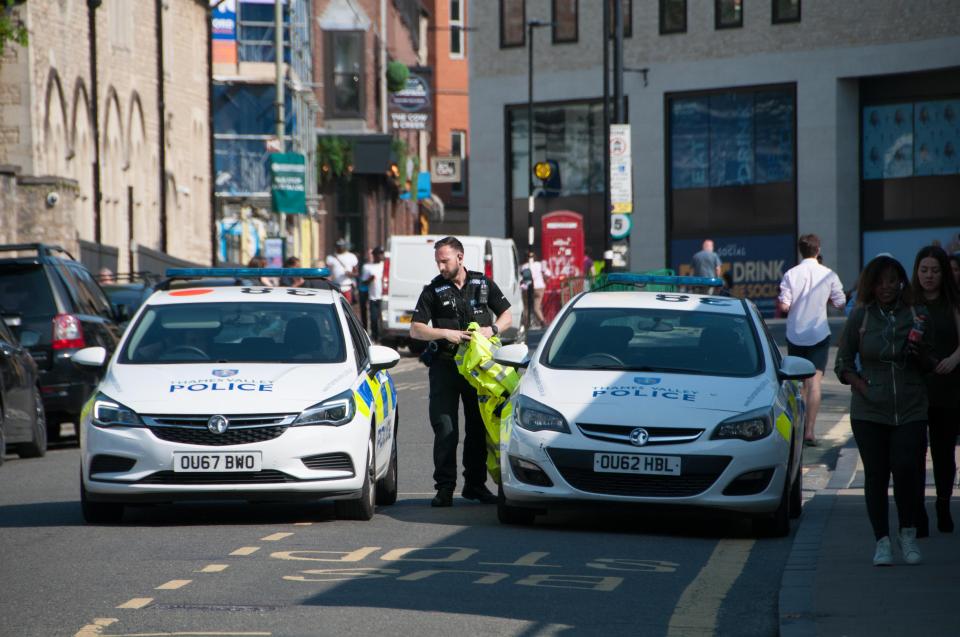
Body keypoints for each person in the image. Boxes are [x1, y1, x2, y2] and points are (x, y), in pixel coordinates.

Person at [834, 255, 929, 566]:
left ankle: (908, 534)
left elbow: (932, 359)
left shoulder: (915, 314)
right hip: (869, 411)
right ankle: (882, 541)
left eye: (892, 280)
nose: (886, 287)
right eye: (880, 281)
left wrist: (921, 353)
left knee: (906, 469)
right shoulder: (860, 316)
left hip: (910, 404)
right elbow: (843, 363)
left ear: (901, 282)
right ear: (870, 285)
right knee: (876, 475)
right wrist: (864, 387)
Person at [409, 236, 512, 507]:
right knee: (446, 428)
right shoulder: (433, 290)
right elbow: (415, 328)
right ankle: (444, 488)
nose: (441, 266)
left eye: (445, 261)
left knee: (478, 428)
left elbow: (507, 315)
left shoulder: (482, 283)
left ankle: (475, 486)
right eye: (438, 261)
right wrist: (446, 333)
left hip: (478, 370)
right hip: (445, 365)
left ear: (460, 257)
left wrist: (493, 329)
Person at [777, 234, 846, 446]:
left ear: (801, 251)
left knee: (797, 385)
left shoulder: (790, 274)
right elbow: (841, 302)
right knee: (814, 383)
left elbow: (784, 306)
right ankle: (810, 430)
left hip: (796, 334)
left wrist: (792, 304)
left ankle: (796, 428)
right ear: (818, 250)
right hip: (818, 333)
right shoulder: (828, 274)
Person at [910, 246, 960, 535]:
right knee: (913, 453)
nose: (929, 276)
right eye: (924, 270)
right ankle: (918, 511)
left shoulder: (952, 302)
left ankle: (942, 503)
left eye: (935, 270)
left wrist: (954, 359)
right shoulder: (909, 304)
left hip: (948, 386)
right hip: (916, 388)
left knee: (943, 453)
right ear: (917, 271)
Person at [520, 252, 552, 328]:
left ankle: (526, 323)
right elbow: (548, 273)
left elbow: (521, 279)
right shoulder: (539, 264)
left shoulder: (524, 266)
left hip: (529, 288)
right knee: (536, 307)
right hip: (540, 287)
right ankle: (542, 322)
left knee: (526, 307)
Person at [361, 246, 385, 343]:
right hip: (373, 297)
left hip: (384, 297)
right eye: (378, 254)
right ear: (374, 255)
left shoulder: (385, 265)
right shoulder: (367, 267)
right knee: (374, 318)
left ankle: (382, 337)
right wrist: (369, 280)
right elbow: (363, 283)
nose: (380, 256)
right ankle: (375, 337)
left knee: (383, 319)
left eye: (381, 253)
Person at [326, 239, 359, 303]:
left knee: (347, 307)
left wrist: (350, 274)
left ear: (345, 246)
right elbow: (327, 272)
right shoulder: (330, 258)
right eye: (338, 246)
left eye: (342, 246)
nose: (340, 248)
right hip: (334, 287)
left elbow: (356, 273)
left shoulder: (351, 256)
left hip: (347, 287)